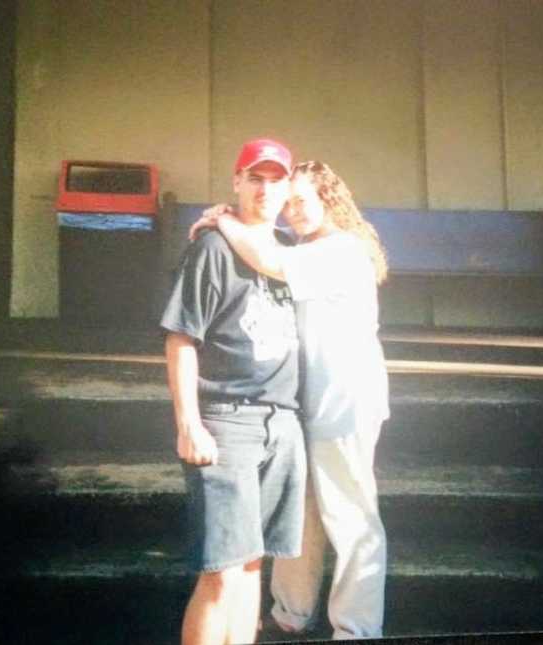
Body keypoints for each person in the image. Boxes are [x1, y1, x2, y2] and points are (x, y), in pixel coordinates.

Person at [190, 160, 390, 640]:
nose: (293, 209)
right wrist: (226, 223)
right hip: (306, 407)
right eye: (289, 200)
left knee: (351, 518)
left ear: (330, 199)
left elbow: (272, 263)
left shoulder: (344, 250)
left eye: (303, 199)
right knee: (301, 515)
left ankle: (356, 629)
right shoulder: (310, 247)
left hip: (344, 405)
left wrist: (224, 221)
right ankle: (291, 612)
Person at [160, 139, 307, 645]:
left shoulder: (291, 255)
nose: (265, 189)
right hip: (227, 420)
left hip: (283, 423)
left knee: (251, 568)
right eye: (255, 178)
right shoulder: (211, 248)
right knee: (220, 570)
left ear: (288, 188)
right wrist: (189, 424)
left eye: (276, 180)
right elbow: (181, 338)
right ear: (237, 182)